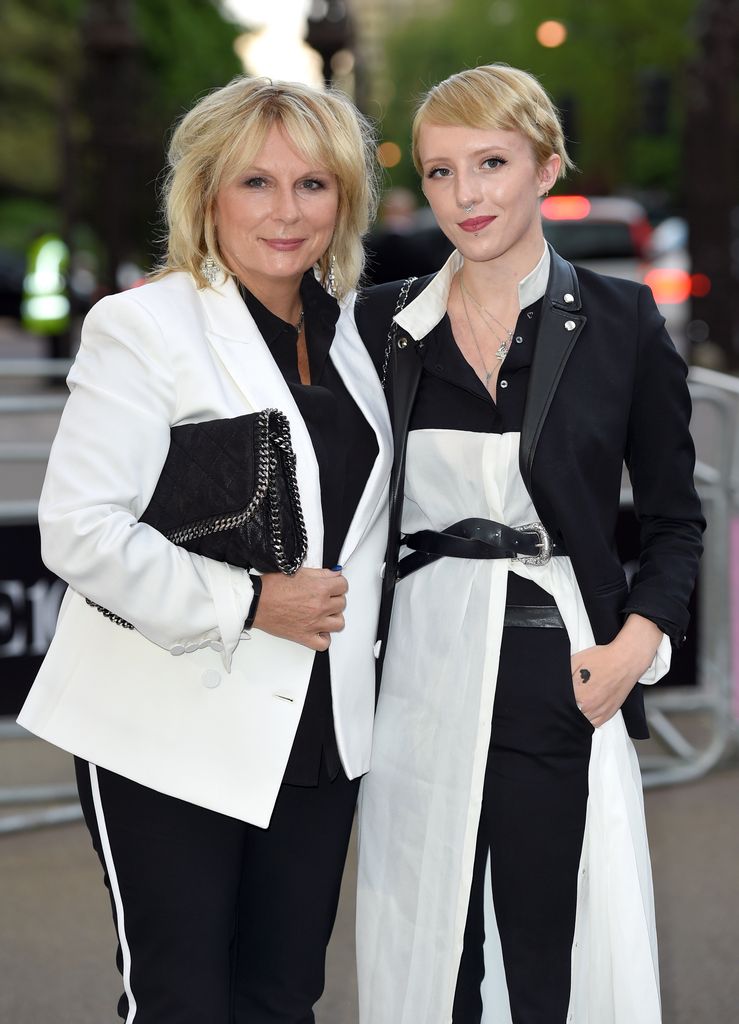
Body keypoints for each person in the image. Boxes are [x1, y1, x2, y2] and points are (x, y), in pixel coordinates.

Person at [17, 76, 391, 1023]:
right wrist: (253, 602)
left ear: (344, 198)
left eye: (312, 184)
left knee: (282, 999)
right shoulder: (143, 325)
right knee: (181, 1002)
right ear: (206, 194)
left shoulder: (360, 334)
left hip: (319, 730)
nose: (285, 211)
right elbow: (79, 527)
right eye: (255, 182)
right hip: (168, 719)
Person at [352, 64, 704, 1024]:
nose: (464, 195)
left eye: (491, 163)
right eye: (439, 171)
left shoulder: (621, 320)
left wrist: (634, 647)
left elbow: (673, 519)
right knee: (431, 942)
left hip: (558, 669)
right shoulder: (381, 324)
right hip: (410, 675)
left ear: (545, 168)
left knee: (547, 950)